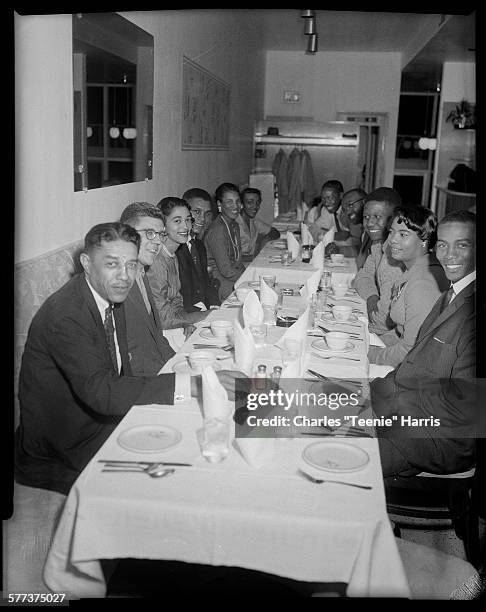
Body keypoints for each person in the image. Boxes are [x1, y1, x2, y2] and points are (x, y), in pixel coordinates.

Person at [15, 222, 242, 494]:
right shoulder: (67, 315)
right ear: (86, 263)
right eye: (112, 264)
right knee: (187, 476)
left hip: (102, 421)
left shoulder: (109, 295)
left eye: (132, 265)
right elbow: (103, 393)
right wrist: (193, 384)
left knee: (216, 430)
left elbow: (123, 375)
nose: (124, 276)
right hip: (62, 448)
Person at [371, 210, 476, 477]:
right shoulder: (451, 294)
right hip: (410, 415)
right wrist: (367, 393)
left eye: (461, 245)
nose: (448, 254)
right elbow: (413, 364)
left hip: (433, 441)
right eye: (443, 244)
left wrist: (391, 416)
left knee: (329, 459)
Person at [368, 206, 448, 367]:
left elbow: (410, 350)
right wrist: (368, 345)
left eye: (403, 234)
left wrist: (369, 354)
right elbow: (401, 332)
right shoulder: (415, 270)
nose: (392, 240)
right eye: (391, 232)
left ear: (424, 240)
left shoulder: (423, 283)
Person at [119, 202, 175, 376]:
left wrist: (178, 363)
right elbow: (126, 359)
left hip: (157, 369)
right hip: (139, 383)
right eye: (150, 233)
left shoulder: (141, 271)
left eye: (161, 234)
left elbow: (156, 337)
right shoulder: (117, 283)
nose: (158, 241)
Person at [147, 197, 210, 335]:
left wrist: (186, 323)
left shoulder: (173, 254)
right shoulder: (157, 261)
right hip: (160, 331)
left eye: (188, 220)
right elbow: (161, 319)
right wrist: (204, 315)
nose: (186, 226)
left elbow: (176, 301)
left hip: (176, 323)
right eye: (177, 221)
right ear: (162, 226)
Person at [353, 187, 404, 335]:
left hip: (389, 338)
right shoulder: (378, 245)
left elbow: (383, 321)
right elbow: (362, 276)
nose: (369, 223)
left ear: (394, 219)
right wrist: (371, 297)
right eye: (366, 217)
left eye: (377, 216)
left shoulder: (394, 255)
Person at [177, 188, 220, 312]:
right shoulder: (176, 248)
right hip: (186, 314)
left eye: (207, 214)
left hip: (202, 309)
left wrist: (214, 306)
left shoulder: (199, 245)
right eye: (196, 212)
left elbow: (206, 282)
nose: (202, 219)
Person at [204, 183, 246, 301]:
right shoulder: (217, 230)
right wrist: (249, 278)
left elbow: (238, 260)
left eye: (237, 201)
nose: (235, 206)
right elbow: (226, 270)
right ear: (219, 204)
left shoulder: (234, 225)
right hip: (218, 280)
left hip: (233, 275)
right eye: (229, 202)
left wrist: (249, 274)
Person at [236, 187, 280, 261]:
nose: (255, 206)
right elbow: (229, 258)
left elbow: (275, 232)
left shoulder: (254, 222)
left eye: (257, 202)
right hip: (239, 266)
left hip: (253, 261)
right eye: (250, 202)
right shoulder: (234, 224)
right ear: (241, 204)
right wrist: (255, 257)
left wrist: (265, 239)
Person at [340, 188, 369, 267]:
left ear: (364, 201)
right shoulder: (363, 227)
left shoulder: (374, 228)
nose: (348, 212)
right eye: (344, 209)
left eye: (350, 205)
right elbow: (361, 251)